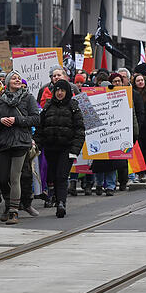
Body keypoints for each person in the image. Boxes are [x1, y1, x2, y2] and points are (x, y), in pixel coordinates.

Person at [0, 71, 41, 224]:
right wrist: (1, 120)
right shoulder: (0, 101)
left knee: (15, 177)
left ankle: (13, 210)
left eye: (19, 78)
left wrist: (17, 120)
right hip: (4, 143)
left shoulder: (28, 98)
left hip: (20, 142)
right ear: (7, 83)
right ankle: (8, 203)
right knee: (2, 178)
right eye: (13, 78)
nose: (17, 80)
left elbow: (36, 118)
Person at [34, 79, 85, 218]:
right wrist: (36, 144)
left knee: (61, 176)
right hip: (50, 148)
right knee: (53, 176)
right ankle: (56, 198)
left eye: (62, 90)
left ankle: (61, 203)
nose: (60, 93)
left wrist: (75, 150)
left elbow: (80, 131)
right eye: (57, 90)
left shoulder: (73, 107)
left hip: (66, 149)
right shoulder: (48, 106)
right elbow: (40, 128)